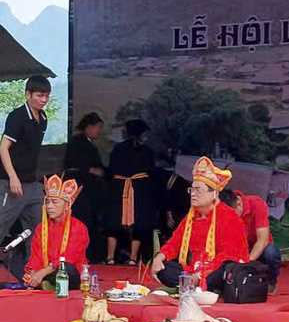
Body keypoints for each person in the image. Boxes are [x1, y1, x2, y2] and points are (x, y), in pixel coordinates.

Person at [0, 75, 51, 278]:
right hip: (10, 182)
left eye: (47, 96)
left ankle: (31, 272)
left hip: (32, 184)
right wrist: (13, 178)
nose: (44, 100)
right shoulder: (17, 117)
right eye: (40, 95)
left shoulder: (43, 120)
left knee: (40, 228)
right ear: (28, 95)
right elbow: (4, 148)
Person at [151, 158, 249, 290]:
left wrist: (201, 274)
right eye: (191, 190)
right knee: (164, 268)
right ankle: (193, 284)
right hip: (194, 268)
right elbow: (175, 242)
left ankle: (197, 284)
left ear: (214, 194)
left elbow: (228, 255)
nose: (193, 194)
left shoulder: (229, 217)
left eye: (198, 190)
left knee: (223, 271)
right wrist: (159, 258)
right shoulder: (192, 215)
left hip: (218, 268)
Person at [104, 119, 160, 266]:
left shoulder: (118, 148)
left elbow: (110, 169)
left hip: (119, 187)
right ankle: (133, 258)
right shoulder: (146, 150)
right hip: (140, 188)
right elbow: (151, 170)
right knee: (138, 223)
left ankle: (110, 257)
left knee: (113, 222)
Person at [19, 176, 88, 290]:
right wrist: (33, 272)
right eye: (47, 202)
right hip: (46, 272)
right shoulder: (41, 228)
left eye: (55, 202)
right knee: (16, 261)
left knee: (67, 269)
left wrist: (42, 273)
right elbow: (36, 256)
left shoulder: (78, 227)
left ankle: (46, 283)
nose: (49, 207)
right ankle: (43, 283)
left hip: (65, 272)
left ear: (67, 205)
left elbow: (70, 257)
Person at [64, 113, 109, 262]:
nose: (99, 131)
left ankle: (91, 254)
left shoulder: (88, 143)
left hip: (89, 188)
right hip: (80, 187)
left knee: (90, 220)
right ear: (89, 127)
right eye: (98, 127)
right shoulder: (77, 142)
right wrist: (91, 170)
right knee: (81, 218)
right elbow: (74, 162)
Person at [223, 185, 282, 290]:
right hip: (237, 249)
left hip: (258, 248)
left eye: (232, 214)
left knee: (271, 252)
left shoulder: (257, 204)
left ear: (239, 204)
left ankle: (271, 283)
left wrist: (246, 263)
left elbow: (262, 240)